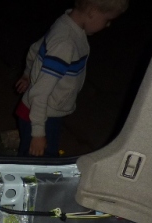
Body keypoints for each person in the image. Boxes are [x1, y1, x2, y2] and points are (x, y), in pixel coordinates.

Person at [14, 0, 128, 157]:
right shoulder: (66, 43)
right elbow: (39, 93)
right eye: (107, 19)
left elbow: (35, 49)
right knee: (39, 161)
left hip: (45, 111)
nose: (108, 25)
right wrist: (38, 133)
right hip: (40, 115)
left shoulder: (65, 24)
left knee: (42, 157)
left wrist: (28, 74)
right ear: (92, 12)